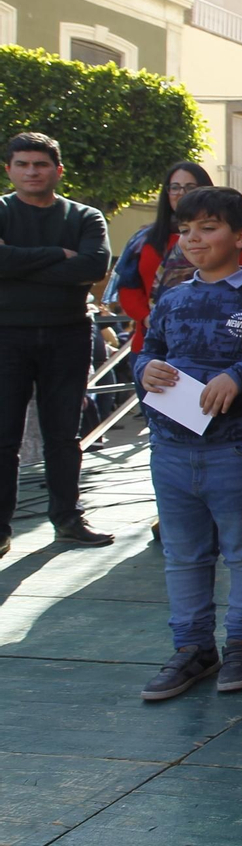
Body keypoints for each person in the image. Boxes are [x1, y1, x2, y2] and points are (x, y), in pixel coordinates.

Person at [134, 188, 242, 699]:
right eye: (185, 230)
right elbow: (151, 347)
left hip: (240, 450)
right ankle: (193, 649)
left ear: (241, 236)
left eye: (207, 228)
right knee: (183, 554)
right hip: (171, 450)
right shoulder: (174, 297)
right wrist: (144, 368)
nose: (193, 239)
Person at [0, 132, 114, 555]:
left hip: (67, 334)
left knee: (64, 435)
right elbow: (73, 266)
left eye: (41, 164)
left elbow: (93, 266)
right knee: (3, 436)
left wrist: (15, 262)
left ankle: (67, 518)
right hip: (6, 334)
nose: (32, 171)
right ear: (9, 169)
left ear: (58, 170)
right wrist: (59, 256)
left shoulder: (85, 216)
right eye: (23, 164)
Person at [119, 161, 242, 355]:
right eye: (175, 187)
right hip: (152, 343)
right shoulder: (144, 239)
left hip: (213, 342)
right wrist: (150, 319)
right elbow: (128, 286)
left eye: (190, 187)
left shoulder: (225, 239)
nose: (181, 193)